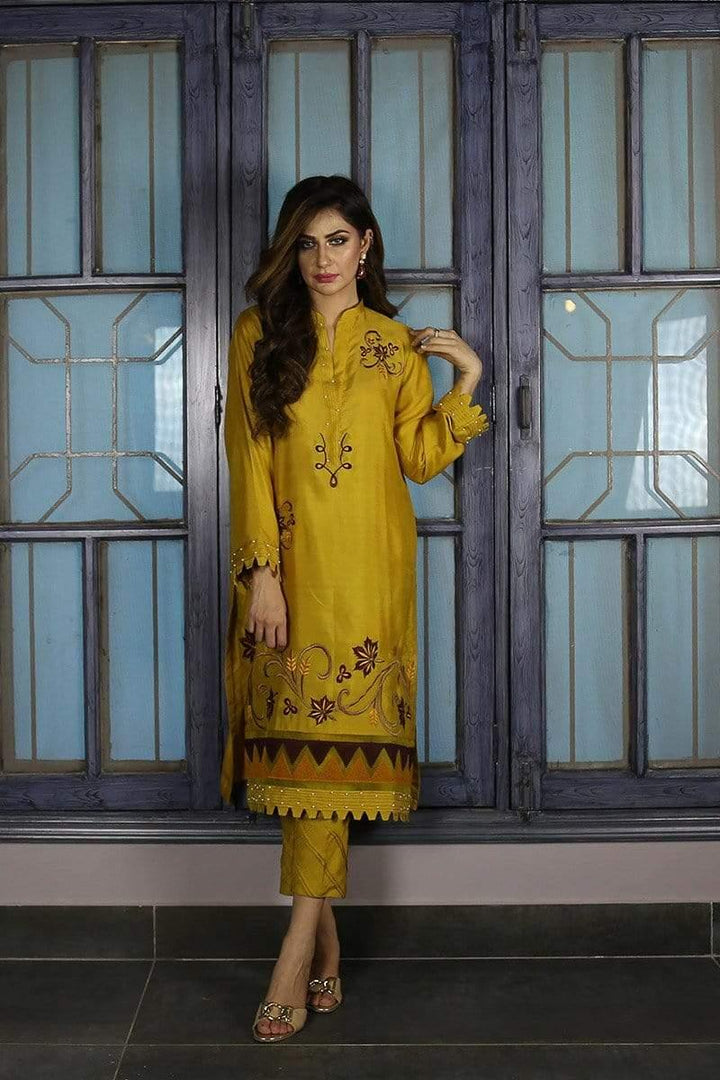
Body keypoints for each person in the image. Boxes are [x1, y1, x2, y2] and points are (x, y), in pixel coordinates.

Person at [220, 175, 490, 1042]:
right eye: (306, 243)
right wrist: (262, 574)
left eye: (337, 240)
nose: (322, 259)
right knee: (303, 768)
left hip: (372, 580)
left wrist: (466, 380)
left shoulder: (395, 346)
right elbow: (247, 459)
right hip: (290, 576)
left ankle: (295, 955)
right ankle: (321, 946)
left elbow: (418, 458)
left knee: (328, 768)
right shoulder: (259, 334)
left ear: (366, 246)